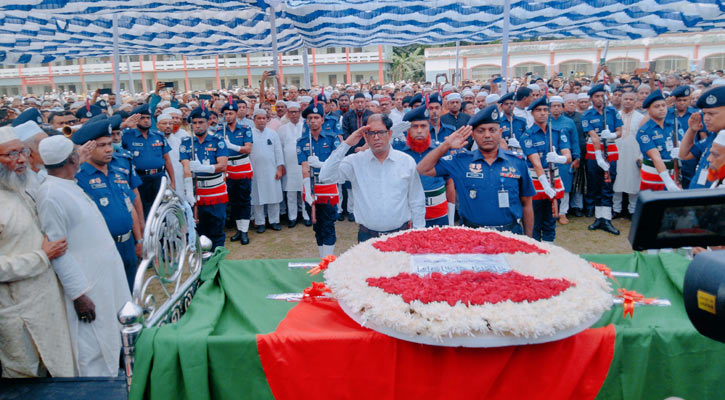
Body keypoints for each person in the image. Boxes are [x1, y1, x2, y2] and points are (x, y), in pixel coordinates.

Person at [36, 135, 131, 377]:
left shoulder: (67, 183)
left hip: (104, 277)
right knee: (94, 345)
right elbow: (58, 250)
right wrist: (79, 295)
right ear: (71, 159)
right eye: (77, 154)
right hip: (88, 285)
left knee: (112, 333)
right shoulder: (50, 195)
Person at [0, 127, 74, 378]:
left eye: (22, 152)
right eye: (10, 155)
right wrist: (41, 257)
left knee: (62, 372)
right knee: (26, 379)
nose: (20, 160)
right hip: (16, 311)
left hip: (49, 300)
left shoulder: (28, 186)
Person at [417, 105, 535, 236]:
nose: (487, 135)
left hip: (509, 233)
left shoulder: (517, 162)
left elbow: (526, 204)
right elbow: (423, 169)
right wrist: (446, 145)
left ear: (500, 132)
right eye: (481, 131)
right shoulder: (461, 161)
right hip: (471, 234)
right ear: (472, 134)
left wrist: (529, 239)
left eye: (492, 130)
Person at [320, 114, 425, 242]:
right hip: (367, 237)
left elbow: (416, 200)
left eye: (381, 132)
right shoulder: (355, 162)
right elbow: (325, 176)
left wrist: (418, 232)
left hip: (400, 236)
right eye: (371, 133)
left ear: (390, 133)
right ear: (365, 136)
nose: (376, 138)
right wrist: (347, 144)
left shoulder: (406, 161)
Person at [72, 119, 143, 291]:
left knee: (131, 290)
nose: (109, 149)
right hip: (101, 248)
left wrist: (139, 238)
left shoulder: (117, 171)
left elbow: (129, 205)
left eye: (110, 144)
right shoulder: (77, 178)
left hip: (127, 244)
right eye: (101, 145)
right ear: (87, 148)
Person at [520, 97, 571, 242]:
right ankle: (536, 252)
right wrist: (544, 184)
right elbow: (536, 163)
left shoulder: (557, 132)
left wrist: (559, 158)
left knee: (550, 221)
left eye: (545, 110)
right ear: (532, 113)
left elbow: (568, 156)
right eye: (538, 110)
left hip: (554, 179)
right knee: (534, 222)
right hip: (536, 181)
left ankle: (550, 250)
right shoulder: (527, 135)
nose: (542, 113)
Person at [392, 105, 451, 227]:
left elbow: (450, 183)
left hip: (437, 213)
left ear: (429, 128)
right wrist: (389, 135)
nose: (419, 131)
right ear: (407, 129)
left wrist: (450, 218)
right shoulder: (397, 151)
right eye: (414, 126)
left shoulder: (441, 150)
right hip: (409, 213)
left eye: (423, 126)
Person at [179, 107, 229, 250]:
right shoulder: (186, 143)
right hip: (198, 191)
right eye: (194, 123)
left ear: (207, 123)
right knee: (200, 229)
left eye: (201, 122)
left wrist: (204, 168)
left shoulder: (217, 140)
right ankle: (203, 262)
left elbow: (223, 165)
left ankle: (218, 258)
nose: (198, 125)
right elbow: (186, 169)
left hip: (216, 191)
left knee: (217, 228)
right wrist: (189, 192)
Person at [297, 103, 341, 256]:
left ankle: (328, 260)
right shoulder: (302, 142)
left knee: (328, 225)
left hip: (327, 187)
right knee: (317, 226)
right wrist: (308, 192)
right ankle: (322, 257)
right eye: (310, 118)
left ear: (323, 119)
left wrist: (321, 164)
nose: (313, 121)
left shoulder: (332, 139)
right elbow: (304, 168)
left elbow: (338, 163)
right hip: (311, 186)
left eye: (316, 117)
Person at [121, 104, 176, 217]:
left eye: (148, 118)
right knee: (144, 209)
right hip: (139, 179)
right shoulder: (127, 135)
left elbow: (167, 160)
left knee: (162, 208)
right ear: (136, 120)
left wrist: (173, 181)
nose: (146, 121)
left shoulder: (158, 135)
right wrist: (124, 125)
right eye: (142, 118)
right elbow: (112, 135)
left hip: (159, 176)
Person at [582, 84, 622, 235]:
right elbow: (592, 135)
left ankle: (607, 218)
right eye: (596, 96)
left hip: (610, 152)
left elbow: (620, 132)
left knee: (608, 185)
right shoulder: (587, 114)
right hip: (594, 153)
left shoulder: (612, 112)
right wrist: (599, 156)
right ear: (591, 98)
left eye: (601, 96)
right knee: (596, 185)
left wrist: (612, 135)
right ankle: (599, 217)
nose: (600, 99)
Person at [218, 100, 254, 244]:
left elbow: (248, 149)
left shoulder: (245, 129)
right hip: (228, 168)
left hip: (243, 166)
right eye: (226, 114)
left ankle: (245, 231)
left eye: (231, 113)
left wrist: (232, 146)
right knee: (233, 201)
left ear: (236, 114)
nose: (228, 116)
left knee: (244, 199)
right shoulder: (220, 131)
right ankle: (239, 229)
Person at [636, 90, 681, 192]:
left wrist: (680, 149)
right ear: (648, 110)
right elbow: (655, 157)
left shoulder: (674, 125)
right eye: (656, 106)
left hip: (675, 171)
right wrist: (668, 181)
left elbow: (683, 143)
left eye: (663, 105)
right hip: (654, 175)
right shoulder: (644, 131)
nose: (661, 109)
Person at [249, 108, 285, 233]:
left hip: (272, 170)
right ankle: (260, 222)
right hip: (255, 171)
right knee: (257, 197)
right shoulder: (250, 133)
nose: (261, 120)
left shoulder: (272, 133)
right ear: (254, 120)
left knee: (273, 196)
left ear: (267, 119)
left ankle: (274, 221)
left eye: (264, 118)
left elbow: (278, 151)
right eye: (258, 118)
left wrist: (280, 168)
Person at [548, 96, 580, 225]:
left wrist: (577, 156)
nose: (556, 108)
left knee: (565, 186)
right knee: (549, 185)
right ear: (549, 108)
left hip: (565, 159)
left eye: (558, 105)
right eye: (553, 105)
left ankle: (563, 212)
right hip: (549, 158)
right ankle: (551, 211)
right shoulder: (546, 121)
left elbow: (575, 140)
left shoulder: (568, 122)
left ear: (563, 107)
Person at [278, 102, 310, 227]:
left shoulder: (306, 127)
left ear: (300, 112)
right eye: (291, 112)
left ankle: (306, 216)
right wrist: (281, 165)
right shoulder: (282, 129)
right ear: (287, 113)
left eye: (296, 111)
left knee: (304, 191)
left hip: (303, 165)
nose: (294, 114)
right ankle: (292, 217)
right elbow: (279, 148)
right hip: (289, 165)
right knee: (291, 193)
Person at [613, 91, 644, 219]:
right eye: (626, 98)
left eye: (631, 99)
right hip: (617, 153)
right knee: (617, 181)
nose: (628, 101)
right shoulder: (615, 115)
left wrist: (641, 156)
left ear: (636, 102)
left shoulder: (640, 118)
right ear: (621, 100)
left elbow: (643, 138)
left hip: (634, 154)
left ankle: (632, 210)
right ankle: (616, 209)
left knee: (633, 181)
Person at [666, 86, 699, 187]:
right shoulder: (666, 113)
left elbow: (702, 136)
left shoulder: (695, 114)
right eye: (679, 100)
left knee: (690, 184)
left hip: (690, 156)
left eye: (685, 100)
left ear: (689, 100)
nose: (681, 103)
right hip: (671, 155)